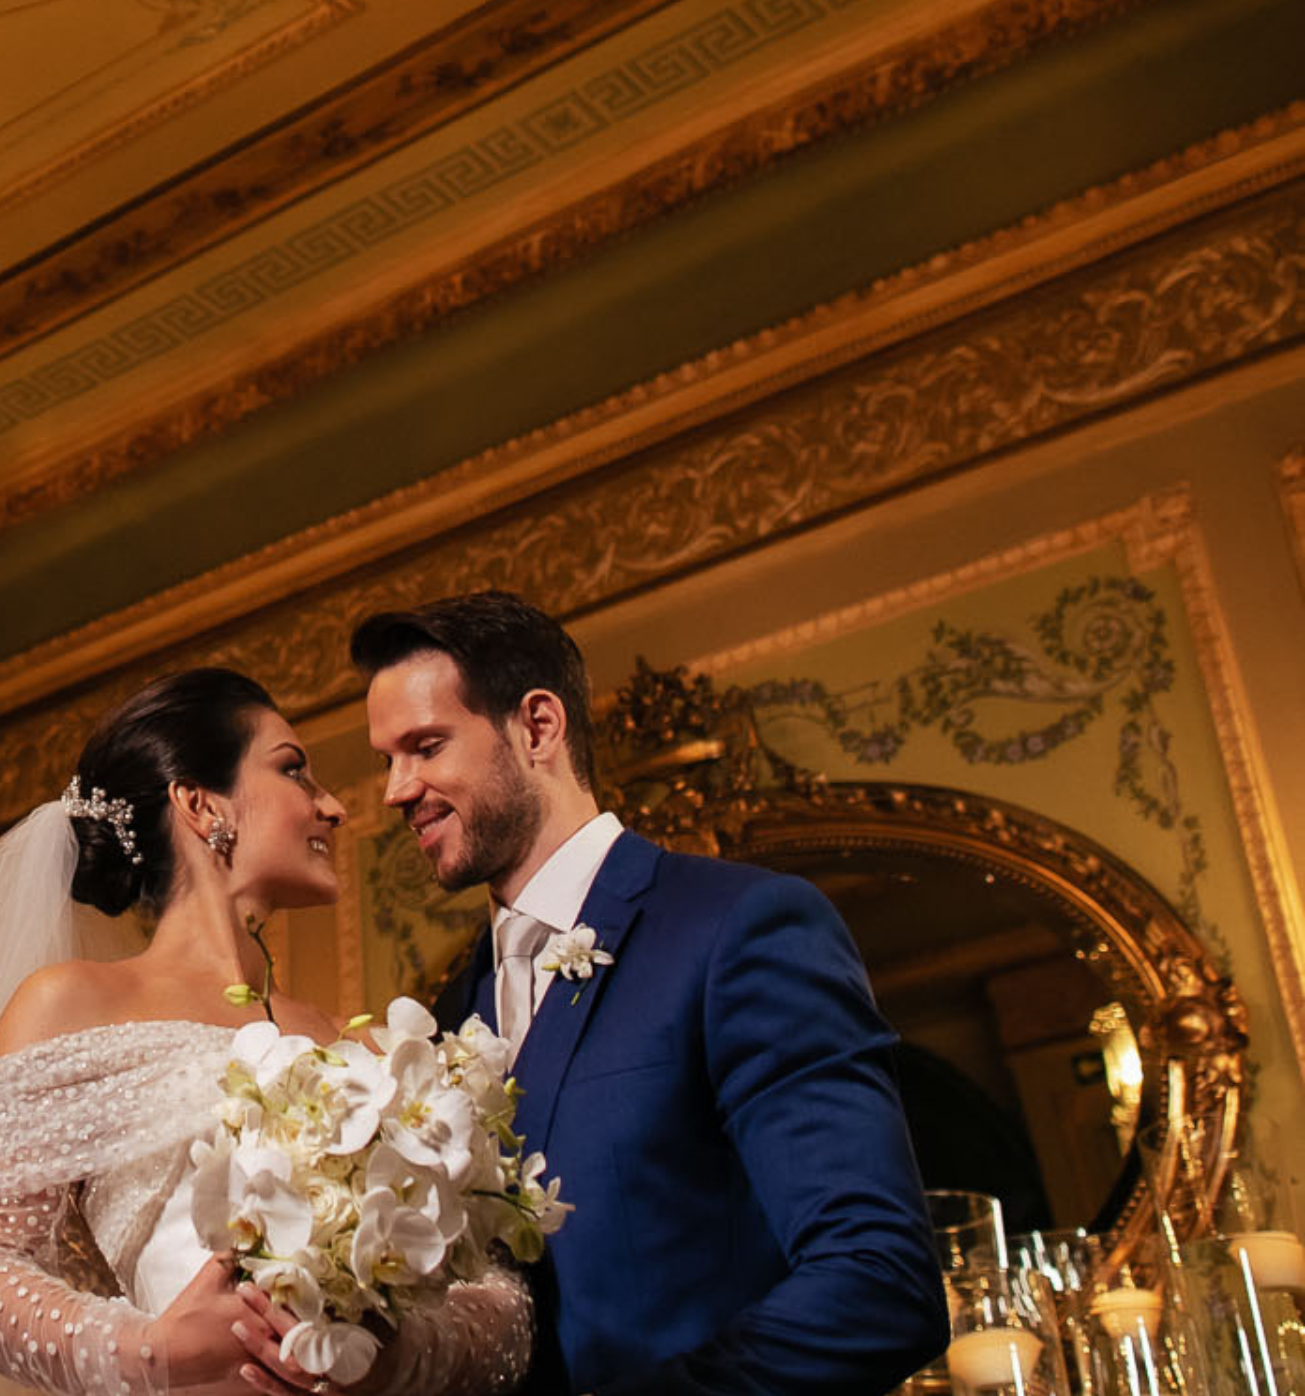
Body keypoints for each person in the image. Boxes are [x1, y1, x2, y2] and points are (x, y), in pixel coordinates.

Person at [0, 667, 534, 1396]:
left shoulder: (376, 1050)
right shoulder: (71, 1004)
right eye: (293, 771)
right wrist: (150, 1348)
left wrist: (399, 1356)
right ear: (198, 803)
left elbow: (505, 1304)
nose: (337, 806)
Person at [353, 592, 949, 1396]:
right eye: (386, 758)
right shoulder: (453, 1012)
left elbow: (879, 1281)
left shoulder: (738, 926)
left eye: (424, 746)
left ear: (538, 727)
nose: (395, 789)